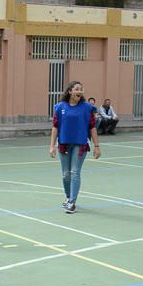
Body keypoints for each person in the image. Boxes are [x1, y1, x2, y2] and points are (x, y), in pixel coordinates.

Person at [49, 81, 101, 214]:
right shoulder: (60, 107)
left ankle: (72, 201)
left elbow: (92, 127)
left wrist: (97, 146)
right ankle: (68, 196)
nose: (79, 91)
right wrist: (51, 146)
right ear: (70, 91)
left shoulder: (86, 108)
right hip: (64, 143)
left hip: (81, 143)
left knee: (74, 172)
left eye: (81, 89)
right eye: (77, 89)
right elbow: (55, 127)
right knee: (65, 174)